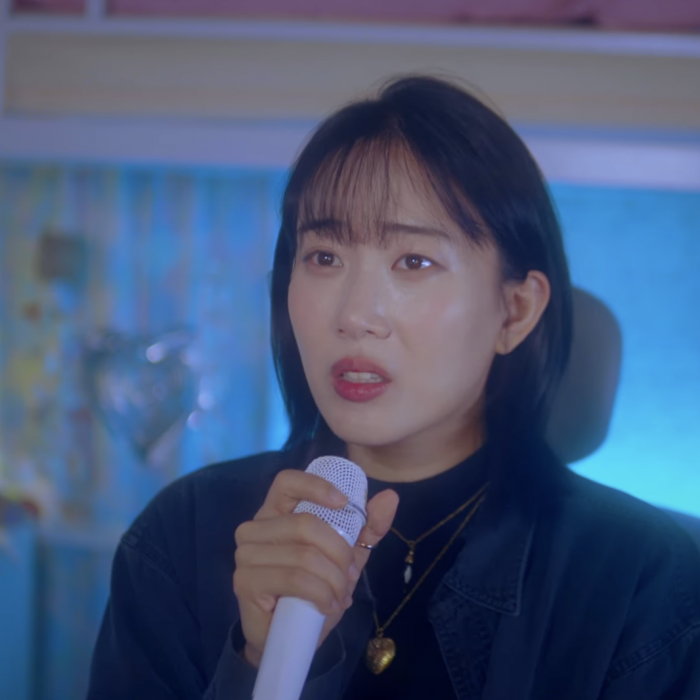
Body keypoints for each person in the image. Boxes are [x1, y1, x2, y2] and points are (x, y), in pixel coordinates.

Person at [86, 76, 700, 700]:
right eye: (324, 257)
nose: (354, 315)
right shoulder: (183, 535)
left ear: (514, 311)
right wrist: (258, 662)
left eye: (414, 262)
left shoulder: (645, 583)